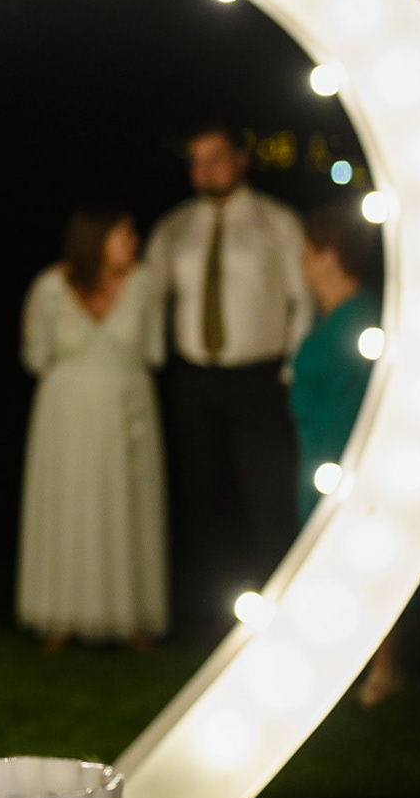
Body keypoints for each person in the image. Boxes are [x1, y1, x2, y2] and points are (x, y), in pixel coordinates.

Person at [145, 125, 309, 636]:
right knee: (203, 498)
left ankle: (282, 610)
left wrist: (290, 370)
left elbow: (302, 299)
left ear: (240, 159)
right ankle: (213, 619)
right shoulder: (175, 227)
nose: (204, 170)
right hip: (194, 378)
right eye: (195, 161)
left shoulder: (276, 222)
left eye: (215, 158)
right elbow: (151, 298)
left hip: (260, 378)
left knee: (268, 497)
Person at [17, 205, 168, 651]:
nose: (134, 243)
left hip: (127, 410)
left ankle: (130, 615)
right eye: (124, 234)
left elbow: (155, 350)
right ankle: (60, 612)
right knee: (68, 501)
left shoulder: (145, 285)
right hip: (65, 413)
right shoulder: (50, 286)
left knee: (126, 502)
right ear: (96, 239)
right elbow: (35, 355)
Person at [291, 201, 393, 703]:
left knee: (361, 559)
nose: (302, 263)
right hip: (317, 456)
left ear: (329, 255)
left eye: (307, 253)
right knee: (324, 562)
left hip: (347, 459)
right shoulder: (327, 314)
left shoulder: (363, 317)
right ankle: (338, 663)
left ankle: (384, 667)